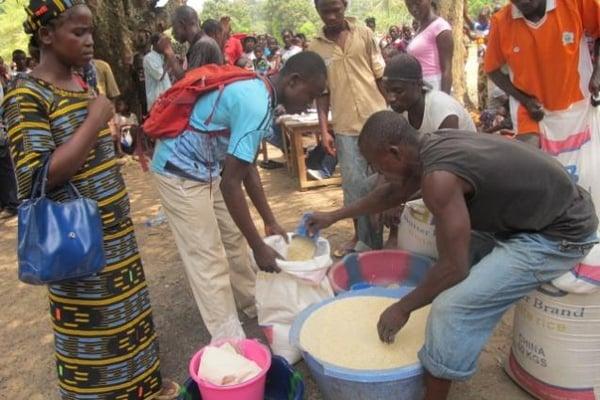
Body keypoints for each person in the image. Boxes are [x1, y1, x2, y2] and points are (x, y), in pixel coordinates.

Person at [307, 110, 598, 400]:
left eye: (376, 166)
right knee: (443, 262)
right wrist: (333, 216)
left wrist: (403, 307)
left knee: (451, 307)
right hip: (536, 214)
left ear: (394, 153)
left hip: (559, 235)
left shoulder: (438, 178)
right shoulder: (428, 147)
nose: (377, 174)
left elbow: (455, 268)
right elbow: (390, 195)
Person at [1, 0, 179, 398]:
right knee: (94, 331)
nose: (89, 41)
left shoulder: (85, 82)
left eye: (91, 32)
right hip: (75, 237)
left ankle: (143, 387)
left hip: (116, 232)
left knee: (129, 316)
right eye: (77, 32)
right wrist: (96, 120)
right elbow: (38, 175)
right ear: (46, 35)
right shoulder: (24, 94)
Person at [150, 52, 327, 340]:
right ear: (294, 81)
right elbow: (231, 184)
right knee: (208, 257)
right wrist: (259, 245)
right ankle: (229, 341)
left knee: (234, 237)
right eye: (311, 96)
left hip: (210, 166)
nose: (309, 105)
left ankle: (252, 305)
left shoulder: (264, 94)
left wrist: (269, 221)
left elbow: (247, 169)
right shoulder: (256, 103)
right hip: (178, 169)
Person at [309, 0, 388, 253]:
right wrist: (324, 130)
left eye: (336, 9)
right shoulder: (316, 48)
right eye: (325, 11)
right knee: (354, 187)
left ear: (345, 4)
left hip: (378, 122)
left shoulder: (364, 34)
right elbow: (322, 94)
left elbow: (379, 76)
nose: (331, 16)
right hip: (345, 128)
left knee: (387, 180)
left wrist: (393, 114)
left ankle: (390, 236)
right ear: (317, 10)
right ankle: (364, 241)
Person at [380, 53, 475, 247]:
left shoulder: (442, 111)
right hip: (426, 167)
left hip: (462, 172)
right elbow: (391, 162)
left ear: (417, 85)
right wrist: (384, 200)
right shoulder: (397, 112)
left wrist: (399, 202)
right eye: (387, 91)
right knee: (371, 186)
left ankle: (450, 248)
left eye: (397, 91)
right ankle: (386, 240)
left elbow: (446, 171)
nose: (391, 98)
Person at [485, 0, 600, 148]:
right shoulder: (501, 22)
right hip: (531, 111)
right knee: (530, 163)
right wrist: (525, 100)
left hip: (578, 105)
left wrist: (597, 72)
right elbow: (492, 69)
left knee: (586, 167)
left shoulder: (574, 3)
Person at [157, 6, 223, 81]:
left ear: (182, 24)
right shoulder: (200, 43)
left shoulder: (203, 44)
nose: (172, 32)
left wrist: (169, 51)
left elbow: (188, 81)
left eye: (174, 27)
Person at [405, 0, 454, 93]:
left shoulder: (440, 27)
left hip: (435, 87)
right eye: (409, 5)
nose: (413, 9)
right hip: (421, 88)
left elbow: (446, 70)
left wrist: (444, 101)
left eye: (417, 3)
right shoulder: (420, 28)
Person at [143, 33, 172, 110]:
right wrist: (168, 59)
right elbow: (160, 76)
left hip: (166, 101)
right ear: (156, 43)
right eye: (163, 42)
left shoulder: (161, 56)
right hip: (156, 103)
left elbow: (166, 75)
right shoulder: (149, 58)